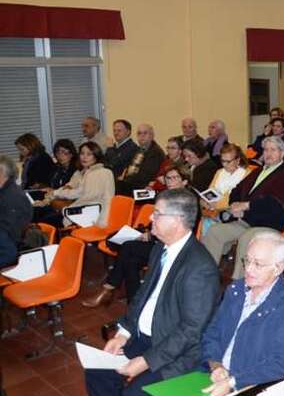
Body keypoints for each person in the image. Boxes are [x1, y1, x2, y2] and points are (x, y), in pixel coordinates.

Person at [139, 229, 284, 396]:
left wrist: (233, 381)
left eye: (258, 264)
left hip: (249, 390)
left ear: (278, 268)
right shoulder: (236, 291)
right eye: (247, 260)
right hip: (213, 376)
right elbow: (212, 334)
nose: (249, 269)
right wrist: (216, 365)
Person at [84, 189, 221, 396]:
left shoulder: (200, 268)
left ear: (177, 221)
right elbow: (141, 297)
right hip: (146, 337)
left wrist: (147, 361)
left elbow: (190, 332)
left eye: (157, 214)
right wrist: (123, 334)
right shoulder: (161, 248)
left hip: (178, 352)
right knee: (98, 372)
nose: (150, 218)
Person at [82, 165, 192, 307]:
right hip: (155, 239)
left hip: (170, 246)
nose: (170, 181)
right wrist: (146, 232)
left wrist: (152, 236)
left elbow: (180, 230)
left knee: (127, 247)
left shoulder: (188, 202)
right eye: (168, 178)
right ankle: (134, 303)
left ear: (185, 181)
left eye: (175, 178)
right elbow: (155, 220)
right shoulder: (165, 196)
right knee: (129, 258)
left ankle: (108, 288)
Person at [201, 136, 284, 279]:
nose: (268, 153)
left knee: (247, 239)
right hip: (246, 220)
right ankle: (205, 276)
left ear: (282, 153)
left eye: (273, 150)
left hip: (268, 224)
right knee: (214, 231)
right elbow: (236, 190)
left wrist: (246, 206)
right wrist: (234, 205)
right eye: (266, 150)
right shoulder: (257, 171)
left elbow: (274, 205)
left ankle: (239, 283)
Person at [50, 142, 115, 227]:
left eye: (89, 154)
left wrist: (56, 193)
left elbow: (79, 193)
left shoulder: (97, 173)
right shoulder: (89, 171)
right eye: (82, 153)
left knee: (49, 219)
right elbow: (72, 187)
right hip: (92, 212)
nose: (84, 157)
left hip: (92, 215)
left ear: (96, 156)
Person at [199, 144, 250, 237]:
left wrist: (217, 205)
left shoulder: (246, 174)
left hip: (231, 214)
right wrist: (204, 201)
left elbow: (239, 199)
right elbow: (210, 191)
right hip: (213, 211)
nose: (224, 165)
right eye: (222, 161)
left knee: (207, 225)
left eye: (228, 161)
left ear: (238, 160)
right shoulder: (219, 172)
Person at [0, 155, 33, 268]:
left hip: (10, 248)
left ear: (3, 174)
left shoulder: (12, 196)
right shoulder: (5, 191)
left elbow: (9, 231)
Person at [115, 124, 165, 196]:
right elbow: (129, 167)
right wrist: (124, 176)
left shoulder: (156, 152)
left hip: (146, 190)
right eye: (139, 133)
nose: (142, 136)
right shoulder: (138, 150)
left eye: (145, 133)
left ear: (152, 135)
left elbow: (146, 176)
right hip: (133, 185)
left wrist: (126, 180)